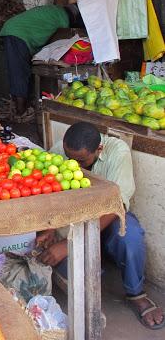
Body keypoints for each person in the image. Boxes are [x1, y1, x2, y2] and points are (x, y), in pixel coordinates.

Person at [37, 121, 164, 330]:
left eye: (81, 160)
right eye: (70, 159)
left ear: (99, 149)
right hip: (73, 215)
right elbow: (51, 192)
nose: (74, 165)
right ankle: (90, 292)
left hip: (109, 214)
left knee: (129, 236)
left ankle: (136, 294)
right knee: (55, 256)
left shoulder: (117, 151)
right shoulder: (62, 148)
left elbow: (118, 204)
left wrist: (66, 245)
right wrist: (50, 228)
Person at [0, 4, 82, 115]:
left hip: (15, 29)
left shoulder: (54, 9)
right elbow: (58, 44)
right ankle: (20, 112)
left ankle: (21, 107)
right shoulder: (64, 22)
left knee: (19, 71)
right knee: (19, 72)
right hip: (17, 33)